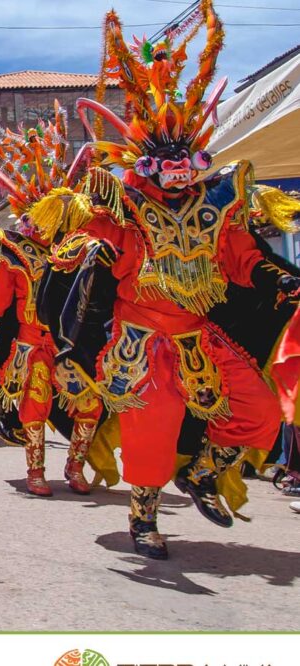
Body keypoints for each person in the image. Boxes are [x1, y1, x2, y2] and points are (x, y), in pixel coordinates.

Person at [48, 0, 300, 558]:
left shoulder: (217, 206)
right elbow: (92, 245)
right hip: (140, 342)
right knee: (152, 431)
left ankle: (205, 471)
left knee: (259, 413)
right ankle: (144, 516)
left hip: (199, 335)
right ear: (146, 161)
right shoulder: (129, 208)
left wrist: (276, 280)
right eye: (168, 158)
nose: (180, 167)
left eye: (187, 156)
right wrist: (73, 205)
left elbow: (242, 258)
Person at [0, 102, 103, 496]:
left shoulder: (81, 250)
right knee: (36, 406)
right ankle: (36, 472)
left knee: (90, 404)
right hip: (32, 346)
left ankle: (75, 466)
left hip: (70, 345)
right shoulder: (15, 256)